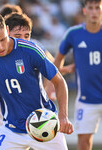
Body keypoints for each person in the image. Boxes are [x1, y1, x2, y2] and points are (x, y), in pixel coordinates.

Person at [0, 11, 73, 150]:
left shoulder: (31, 51)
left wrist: (63, 116)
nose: (0, 47)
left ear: (5, 31)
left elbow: (59, 81)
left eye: (27, 35)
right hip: (11, 129)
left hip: (44, 122)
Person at [53, 0, 102, 150]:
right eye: (91, 8)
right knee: (83, 143)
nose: (94, 11)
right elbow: (57, 61)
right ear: (85, 10)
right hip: (86, 99)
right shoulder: (74, 33)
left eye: (97, 8)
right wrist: (52, 85)